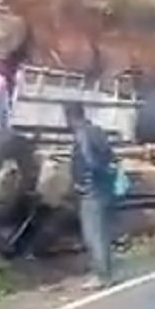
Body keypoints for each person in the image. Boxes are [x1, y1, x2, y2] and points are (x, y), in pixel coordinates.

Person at [64, 102, 117, 290]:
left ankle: (102, 276)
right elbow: (110, 156)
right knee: (101, 232)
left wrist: (81, 183)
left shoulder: (82, 134)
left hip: (91, 190)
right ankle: (105, 272)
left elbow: (89, 160)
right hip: (104, 189)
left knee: (93, 235)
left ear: (69, 117)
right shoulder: (98, 131)